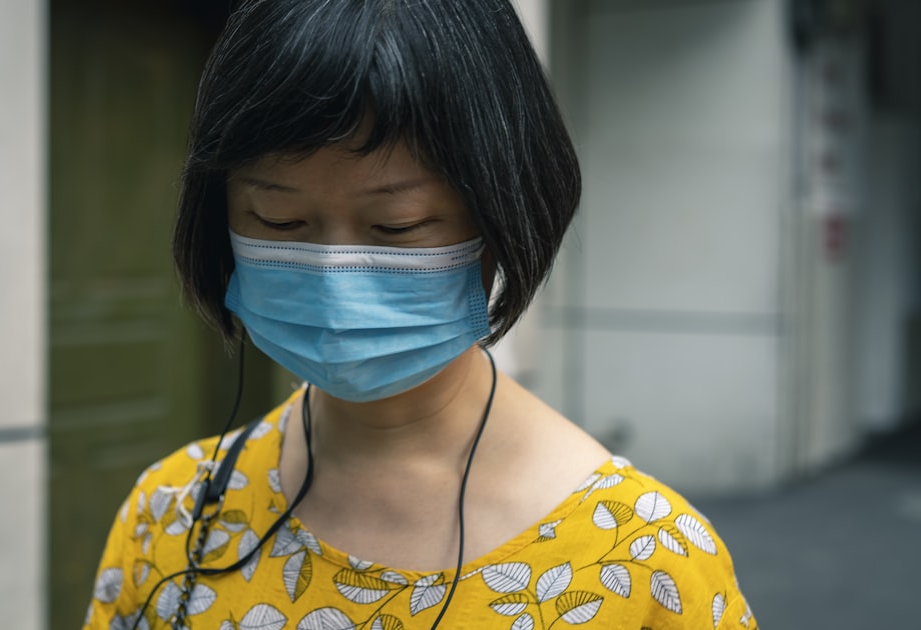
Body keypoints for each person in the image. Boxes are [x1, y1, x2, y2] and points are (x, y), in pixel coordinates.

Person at [84, 1, 758, 628]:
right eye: (280, 219)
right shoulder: (174, 516)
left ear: (503, 217)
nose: (334, 276)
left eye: (397, 225)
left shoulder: (643, 562)